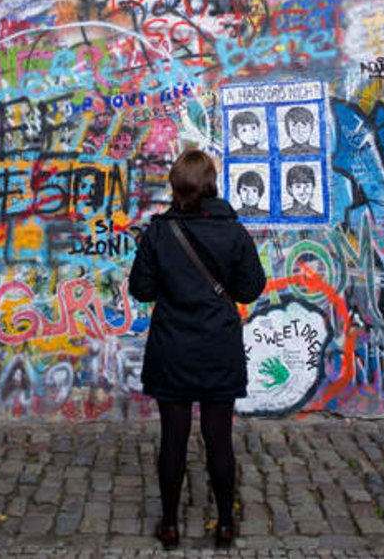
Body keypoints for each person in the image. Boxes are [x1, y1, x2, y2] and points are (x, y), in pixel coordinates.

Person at [129, 149, 266, 549]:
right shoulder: (233, 231)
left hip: (172, 348)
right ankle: (225, 525)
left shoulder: (158, 232)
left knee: (173, 439)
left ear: (175, 185)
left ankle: (169, 525)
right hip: (218, 348)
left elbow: (141, 290)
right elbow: (250, 288)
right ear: (211, 184)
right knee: (218, 439)